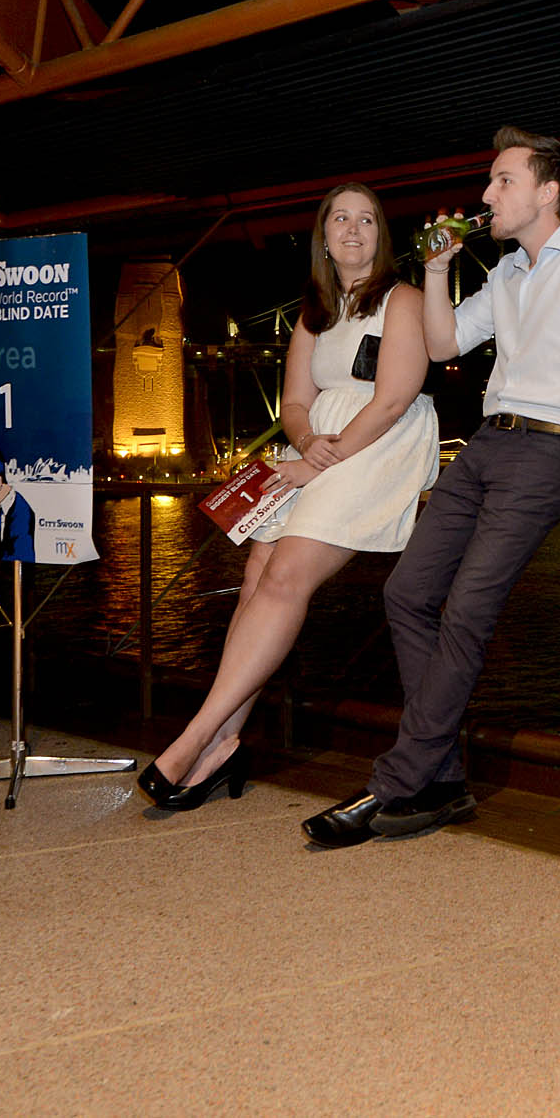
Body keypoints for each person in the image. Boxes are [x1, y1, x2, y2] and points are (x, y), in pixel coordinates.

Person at [300, 126, 560, 847]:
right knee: (406, 592)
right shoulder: (510, 274)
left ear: (547, 191)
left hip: (549, 452)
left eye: (502, 181)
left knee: (465, 611)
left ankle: (396, 782)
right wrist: (434, 271)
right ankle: (442, 776)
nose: (486, 195)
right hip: (489, 442)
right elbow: (443, 344)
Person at [138, 184, 439, 812]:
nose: (353, 231)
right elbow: (296, 402)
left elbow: (393, 397)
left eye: (366, 220)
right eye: (340, 220)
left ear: (381, 235)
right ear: (323, 236)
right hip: (321, 449)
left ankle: (193, 737)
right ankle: (224, 744)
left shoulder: (403, 300)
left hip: (377, 444)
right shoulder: (314, 311)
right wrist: (305, 444)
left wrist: (320, 458)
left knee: (286, 577)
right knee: (256, 576)